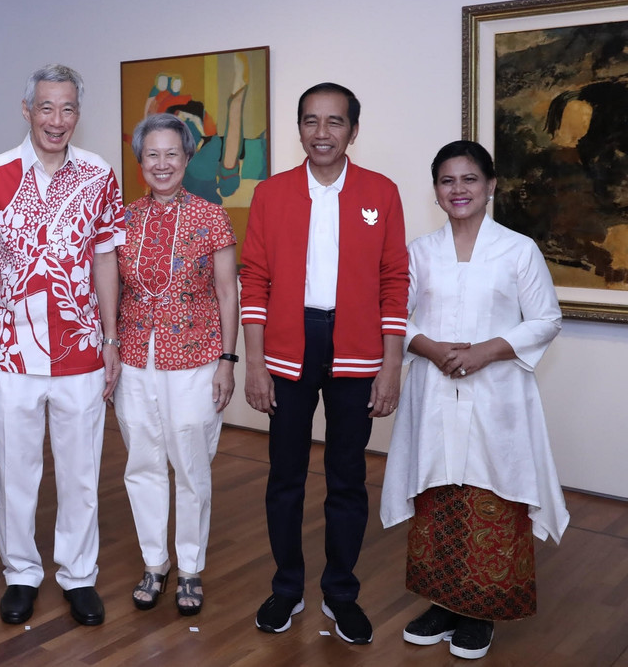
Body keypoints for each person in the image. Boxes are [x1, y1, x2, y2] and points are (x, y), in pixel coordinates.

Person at [380, 140, 568, 660]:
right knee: (436, 494)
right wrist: (431, 348)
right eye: (447, 180)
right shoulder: (419, 252)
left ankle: (481, 610)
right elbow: (396, 314)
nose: (457, 189)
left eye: (468, 179)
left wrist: (486, 351)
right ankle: (441, 603)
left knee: (492, 492)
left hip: (497, 396)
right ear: (436, 191)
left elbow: (546, 319)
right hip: (433, 392)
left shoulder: (517, 249)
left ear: (490, 186)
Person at [240, 82, 408, 644]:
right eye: (311, 121)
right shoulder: (272, 193)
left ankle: (341, 593)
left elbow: (393, 282)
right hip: (288, 347)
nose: (322, 133)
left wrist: (391, 366)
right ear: (300, 129)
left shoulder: (380, 193)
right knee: (284, 475)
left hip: (357, 348)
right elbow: (255, 279)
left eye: (335, 122)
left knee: (348, 477)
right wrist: (255, 363)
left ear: (353, 131)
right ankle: (286, 588)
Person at [0, 64, 126, 627]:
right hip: (11, 351)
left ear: (79, 114)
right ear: (27, 110)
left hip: (82, 349)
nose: (57, 120)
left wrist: (110, 338)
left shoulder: (99, 174)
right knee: (17, 471)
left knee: (81, 471)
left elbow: (106, 257)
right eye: (47, 108)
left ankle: (79, 575)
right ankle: (21, 574)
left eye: (68, 109)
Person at [113, 114, 238, 616]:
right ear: (140, 162)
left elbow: (229, 293)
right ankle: (154, 562)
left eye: (172, 154)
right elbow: (111, 289)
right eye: (152, 155)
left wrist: (229, 361)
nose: (161, 164)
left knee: (190, 465)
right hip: (135, 356)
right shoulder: (121, 219)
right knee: (142, 463)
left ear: (187, 159)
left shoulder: (212, 217)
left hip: (197, 357)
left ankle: (189, 568)